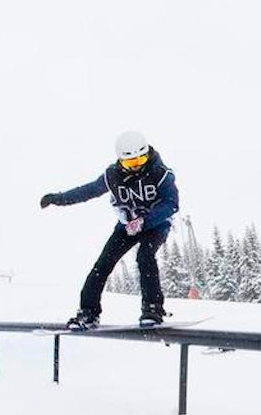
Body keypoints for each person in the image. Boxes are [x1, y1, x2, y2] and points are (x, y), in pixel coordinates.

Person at [40, 130, 180, 328]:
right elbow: (87, 191)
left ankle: (153, 308)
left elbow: (172, 204)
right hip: (127, 225)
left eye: (140, 160)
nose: (136, 168)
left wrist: (144, 222)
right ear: (120, 161)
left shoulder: (161, 174)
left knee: (145, 256)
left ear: (147, 154)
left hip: (155, 224)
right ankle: (88, 312)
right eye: (130, 164)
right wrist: (59, 199)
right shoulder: (112, 176)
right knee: (103, 263)